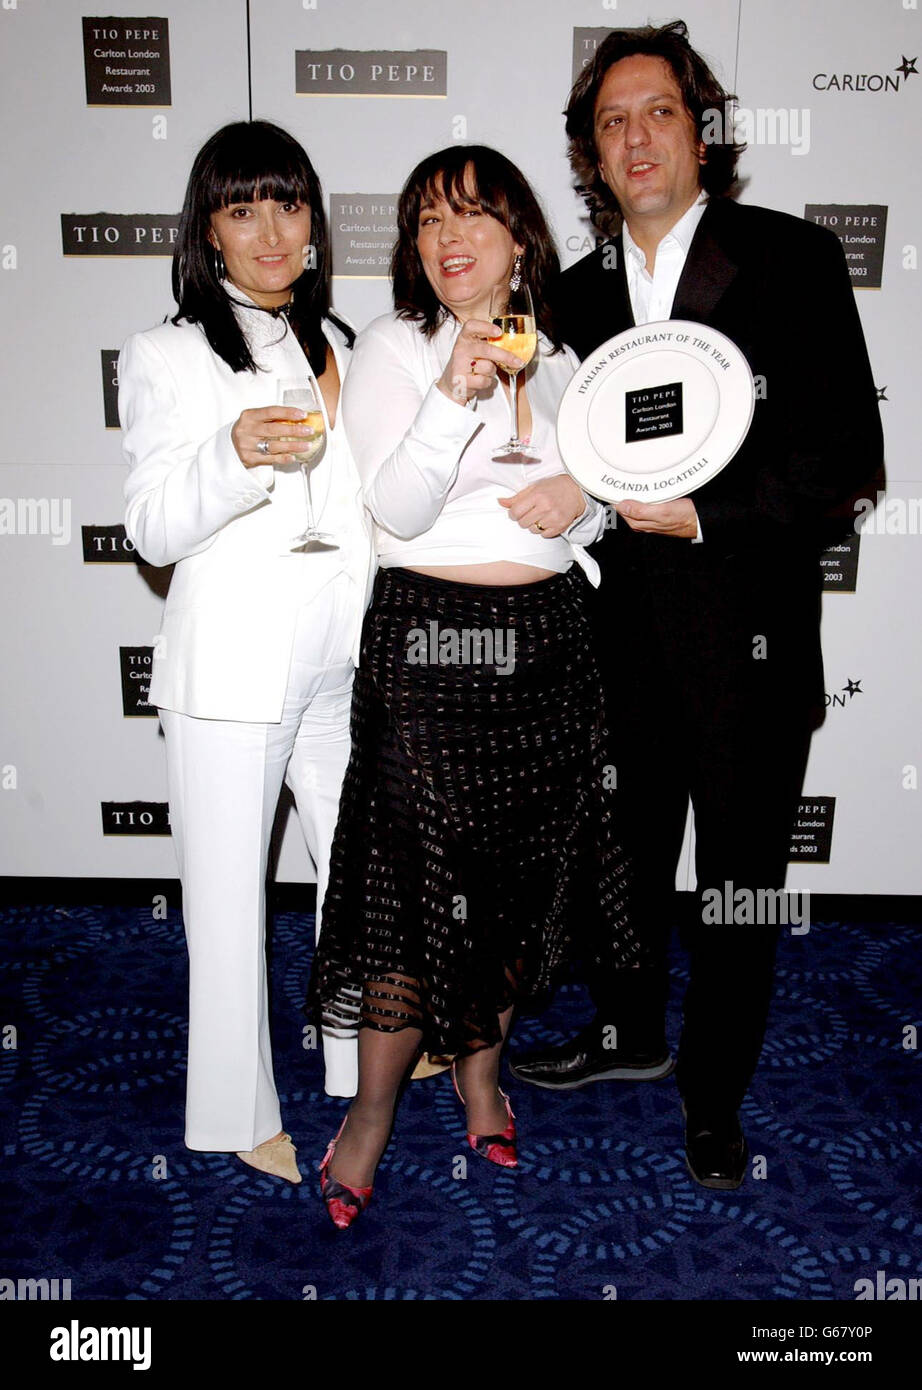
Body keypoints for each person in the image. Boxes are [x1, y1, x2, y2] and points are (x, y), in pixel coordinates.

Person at [510, 21, 883, 1190]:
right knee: (620, 865)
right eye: (611, 121)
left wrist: (712, 516)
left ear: (702, 132)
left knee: (733, 882)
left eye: (658, 112)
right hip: (613, 648)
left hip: (747, 644)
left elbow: (844, 456)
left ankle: (712, 1096)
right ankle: (628, 1031)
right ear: (587, 154)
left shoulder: (791, 260)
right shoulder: (564, 301)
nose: (635, 137)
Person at [306, 144, 640, 1228]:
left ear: (517, 238)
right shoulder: (394, 349)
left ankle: (481, 1077)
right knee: (409, 889)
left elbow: (599, 509)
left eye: (471, 218)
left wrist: (578, 502)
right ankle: (369, 1114)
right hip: (426, 653)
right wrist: (456, 389)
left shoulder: (570, 358)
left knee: (504, 883)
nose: (447, 240)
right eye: (426, 223)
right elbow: (395, 509)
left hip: (546, 648)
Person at [119, 120, 375, 1182]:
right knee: (227, 908)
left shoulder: (347, 348)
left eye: (288, 203)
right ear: (208, 231)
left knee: (358, 884)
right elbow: (149, 529)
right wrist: (229, 456)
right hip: (228, 679)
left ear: (313, 219)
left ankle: (359, 1066)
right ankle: (233, 1111)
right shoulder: (168, 354)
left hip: (341, 669)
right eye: (241, 208)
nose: (270, 230)